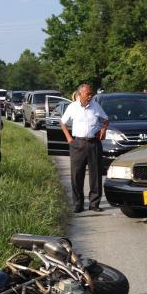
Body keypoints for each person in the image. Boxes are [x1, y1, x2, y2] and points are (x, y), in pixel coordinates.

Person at [60, 83, 109, 213]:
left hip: (94, 143)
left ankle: (94, 203)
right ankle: (78, 204)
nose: (90, 96)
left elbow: (106, 119)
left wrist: (104, 129)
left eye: (91, 94)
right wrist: (69, 139)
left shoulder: (95, 106)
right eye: (88, 94)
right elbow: (62, 123)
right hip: (78, 144)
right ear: (80, 94)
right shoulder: (72, 107)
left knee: (96, 174)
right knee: (77, 175)